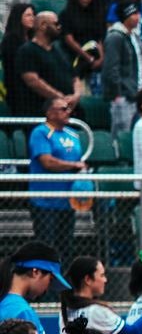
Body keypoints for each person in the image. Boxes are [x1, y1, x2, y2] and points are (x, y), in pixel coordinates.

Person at [28, 98, 86, 258]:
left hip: (67, 202)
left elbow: (79, 161)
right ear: (50, 113)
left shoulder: (72, 135)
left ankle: (63, 280)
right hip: (45, 201)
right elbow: (47, 162)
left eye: (68, 109)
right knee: (46, 247)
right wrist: (73, 165)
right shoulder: (40, 133)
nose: (68, 112)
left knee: (66, 247)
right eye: (62, 109)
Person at [11, 11, 78, 121]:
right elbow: (33, 81)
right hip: (43, 114)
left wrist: (76, 96)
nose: (59, 27)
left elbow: (75, 78)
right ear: (43, 25)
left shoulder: (59, 50)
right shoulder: (27, 51)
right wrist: (60, 97)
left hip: (68, 112)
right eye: (56, 24)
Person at [102, 2, 142, 134]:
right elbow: (111, 68)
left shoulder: (135, 36)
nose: (137, 17)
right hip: (124, 96)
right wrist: (117, 93)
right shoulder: (115, 37)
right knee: (121, 134)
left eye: (138, 13)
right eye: (133, 14)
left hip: (138, 94)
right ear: (125, 16)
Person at [60, 0, 106, 93]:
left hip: (95, 61)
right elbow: (69, 39)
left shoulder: (95, 14)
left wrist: (101, 58)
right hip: (74, 59)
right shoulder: (66, 14)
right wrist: (87, 57)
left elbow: (98, 38)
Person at [1, 3, 34, 92]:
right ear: (19, 17)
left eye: (33, 15)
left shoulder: (32, 38)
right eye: (28, 15)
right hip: (17, 88)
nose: (32, 18)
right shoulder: (10, 39)